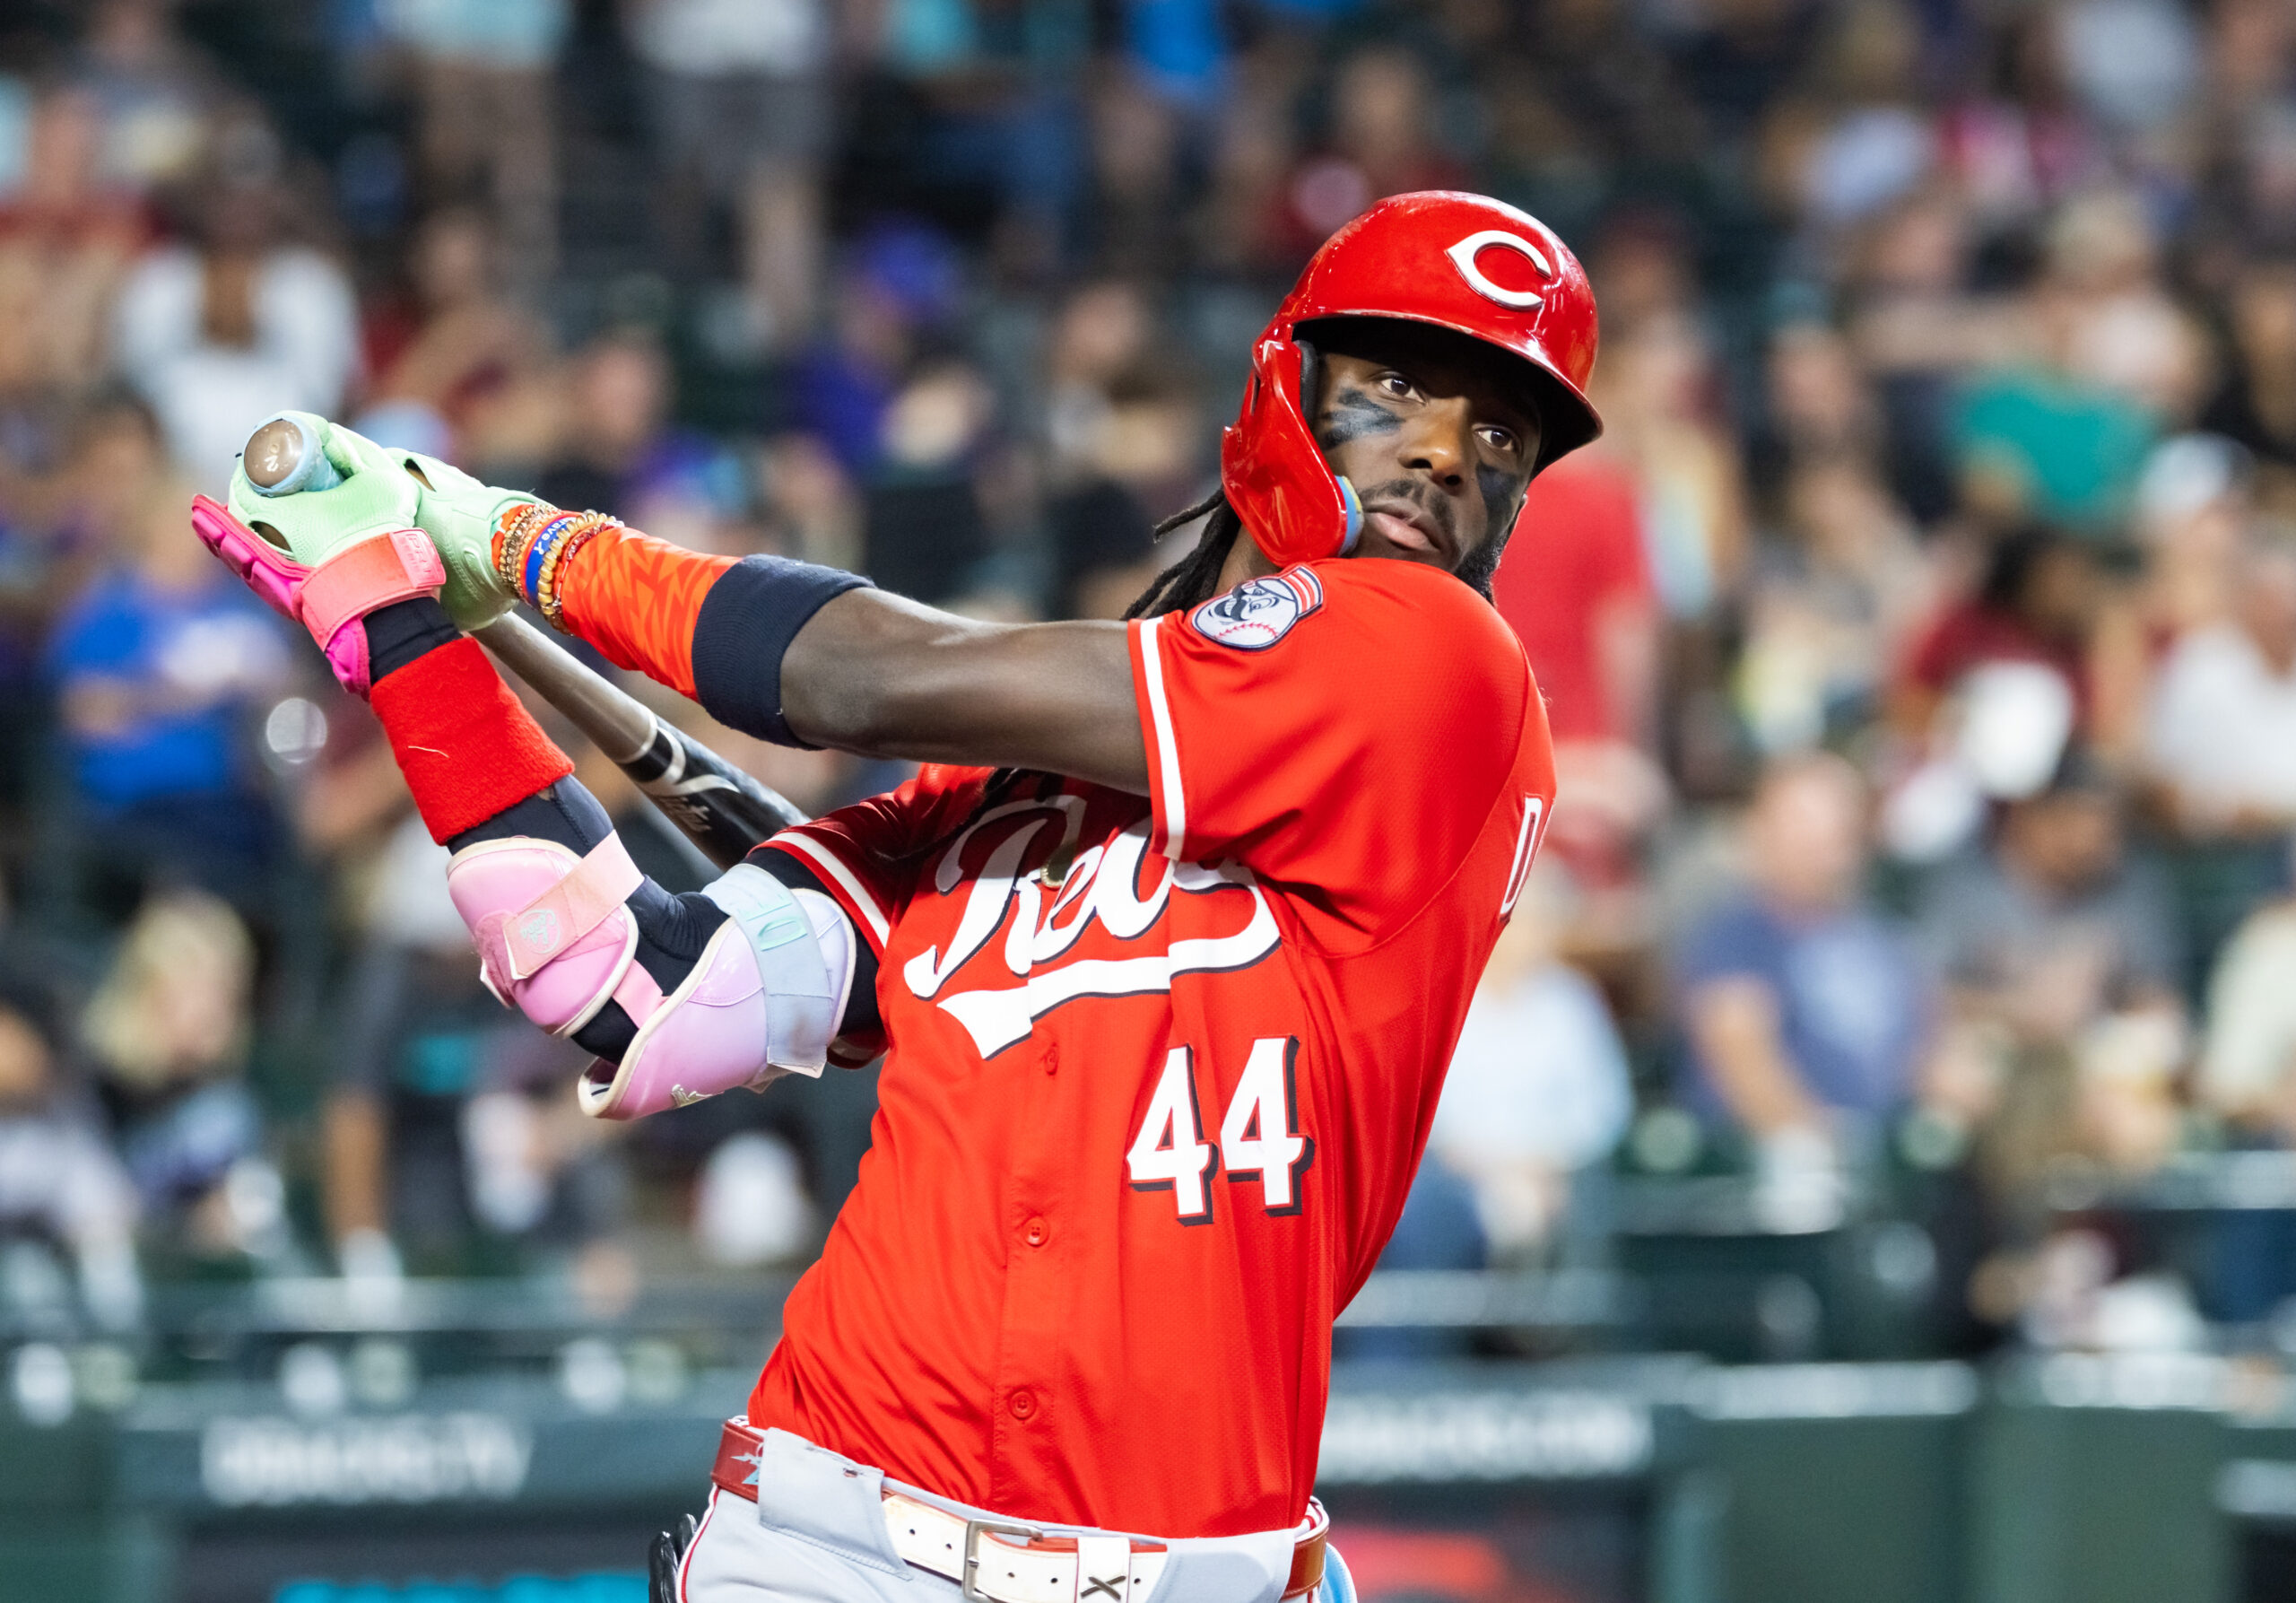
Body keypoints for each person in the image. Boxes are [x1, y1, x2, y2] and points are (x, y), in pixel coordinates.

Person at [193, 192, 1598, 1602]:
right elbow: (628, 985)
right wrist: (410, 632)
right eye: (1402, 382)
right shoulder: (993, 801)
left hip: (1186, 1567)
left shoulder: (1448, 673)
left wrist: (519, 541)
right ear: (1289, 378)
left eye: (1502, 434)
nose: (1445, 451)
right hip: (823, 1541)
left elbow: (855, 676)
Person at [1674, 754, 1935, 1180]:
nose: (1820, 843)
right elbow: (1745, 1065)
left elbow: (1927, 1054)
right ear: (1760, 833)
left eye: (1834, 827)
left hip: (1887, 1168)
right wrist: (1826, 1146)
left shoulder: (1886, 942)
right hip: (1767, 1176)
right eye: (1801, 826)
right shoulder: (1733, 943)